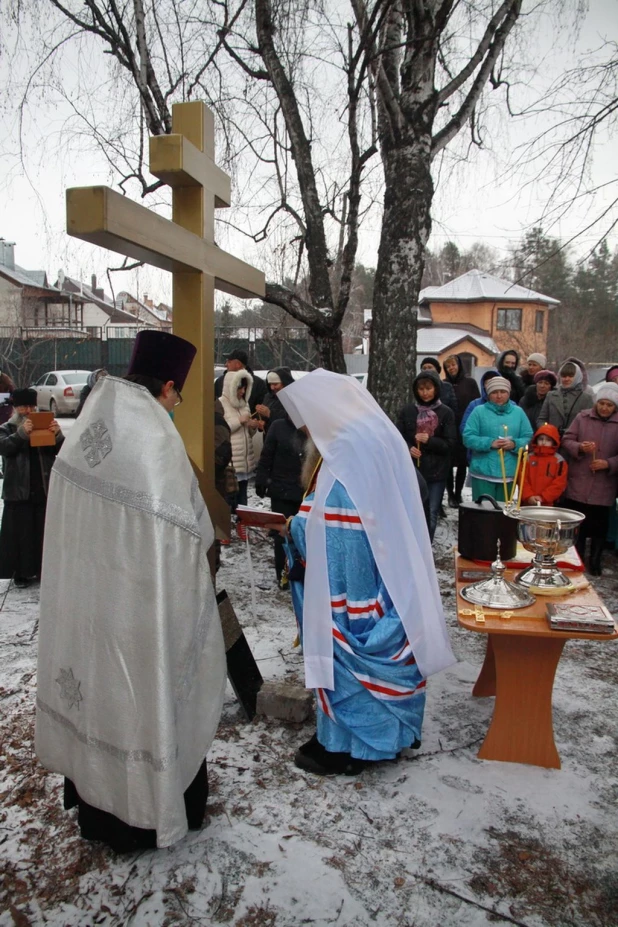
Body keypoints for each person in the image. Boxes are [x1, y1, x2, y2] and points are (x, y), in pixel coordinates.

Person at [35, 330, 226, 851]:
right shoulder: (157, 444)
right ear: (167, 386)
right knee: (144, 700)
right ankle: (147, 814)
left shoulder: (87, 429)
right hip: (141, 613)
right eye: (177, 396)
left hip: (87, 604)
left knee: (100, 696)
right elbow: (193, 537)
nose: (175, 405)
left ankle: (98, 814)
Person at [267, 369, 454, 776]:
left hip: (353, 583)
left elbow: (338, 524)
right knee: (384, 644)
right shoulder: (372, 435)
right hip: (386, 569)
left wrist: (293, 526)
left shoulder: (347, 448)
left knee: (349, 655)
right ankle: (392, 734)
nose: (305, 430)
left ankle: (350, 747)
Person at [0, 388, 63, 587]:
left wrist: (58, 435)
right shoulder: (7, 428)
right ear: (16, 408)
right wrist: (21, 434)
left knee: (41, 533)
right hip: (18, 491)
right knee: (21, 535)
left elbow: (60, 451)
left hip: (42, 487)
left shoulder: (42, 425)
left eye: (31, 406)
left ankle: (41, 570)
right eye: (23, 406)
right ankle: (21, 572)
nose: (28, 410)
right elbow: (4, 448)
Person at [561, 383, 618, 576]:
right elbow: (567, 439)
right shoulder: (582, 417)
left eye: (609, 405)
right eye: (601, 403)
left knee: (600, 525)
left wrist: (609, 463)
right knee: (579, 524)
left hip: (604, 484)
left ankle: (595, 559)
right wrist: (579, 447)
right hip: (580, 480)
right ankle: (576, 558)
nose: (604, 408)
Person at [396, 370, 456, 541]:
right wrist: (408, 448)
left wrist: (430, 440)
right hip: (412, 469)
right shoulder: (408, 411)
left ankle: (426, 546)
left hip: (436, 471)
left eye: (429, 388)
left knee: (431, 511)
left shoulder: (446, 413)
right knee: (411, 509)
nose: (425, 393)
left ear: (436, 388)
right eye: (421, 389)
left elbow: (450, 444)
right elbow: (397, 437)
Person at [255, 411, 306, 588]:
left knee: (301, 534)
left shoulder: (310, 428)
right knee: (281, 535)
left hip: (304, 492)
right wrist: (261, 479)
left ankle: (301, 571)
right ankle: (282, 574)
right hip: (280, 491)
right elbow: (266, 455)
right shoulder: (278, 426)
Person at [462, 376, 533, 502]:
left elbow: (528, 437)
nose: (499, 396)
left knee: (501, 516)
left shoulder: (518, 412)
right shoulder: (479, 411)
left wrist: (514, 444)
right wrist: (489, 443)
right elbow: (468, 437)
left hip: (509, 473)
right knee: (483, 513)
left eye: (503, 392)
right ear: (488, 394)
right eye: (494, 392)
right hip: (483, 472)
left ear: (508, 393)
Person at [220, 368, 259, 539]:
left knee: (243, 497)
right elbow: (221, 430)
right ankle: (223, 529)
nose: (242, 391)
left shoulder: (245, 404)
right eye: (239, 387)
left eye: (245, 388)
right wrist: (239, 421)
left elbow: (246, 433)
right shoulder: (220, 403)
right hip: (231, 461)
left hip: (245, 459)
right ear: (231, 387)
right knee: (227, 497)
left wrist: (252, 428)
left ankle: (242, 525)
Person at [443, 354, 480, 506]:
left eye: (454, 365)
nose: (452, 368)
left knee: (462, 463)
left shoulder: (470, 382)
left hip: (465, 426)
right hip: (448, 428)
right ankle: (450, 493)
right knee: (448, 463)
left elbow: (476, 404)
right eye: (448, 366)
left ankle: (458, 493)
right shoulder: (444, 384)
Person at [537, 360, 594, 437]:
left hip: (575, 442)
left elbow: (589, 424)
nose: (566, 379)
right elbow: (541, 419)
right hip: (553, 441)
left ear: (577, 376)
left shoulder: (586, 398)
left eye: (570, 376)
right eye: (564, 376)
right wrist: (548, 431)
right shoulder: (551, 395)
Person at [520, 423, 568, 506]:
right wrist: (528, 496)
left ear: (554, 442)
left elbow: (559, 483)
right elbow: (522, 479)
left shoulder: (559, 461)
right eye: (541, 439)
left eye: (548, 440)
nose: (544, 442)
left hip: (548, 503)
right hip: (527, 502)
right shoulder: (528, 458)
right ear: (536, 440)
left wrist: (544, 497)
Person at [254, 367, 295, 435]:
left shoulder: (293, 398)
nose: (272, 388)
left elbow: (294, 418)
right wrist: (261, 422)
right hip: (270, 439)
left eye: (275, 384)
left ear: (285, 383)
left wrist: (270, 413)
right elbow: (266, 419)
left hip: (289, 440)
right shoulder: (268, 397)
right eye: (270, 384)